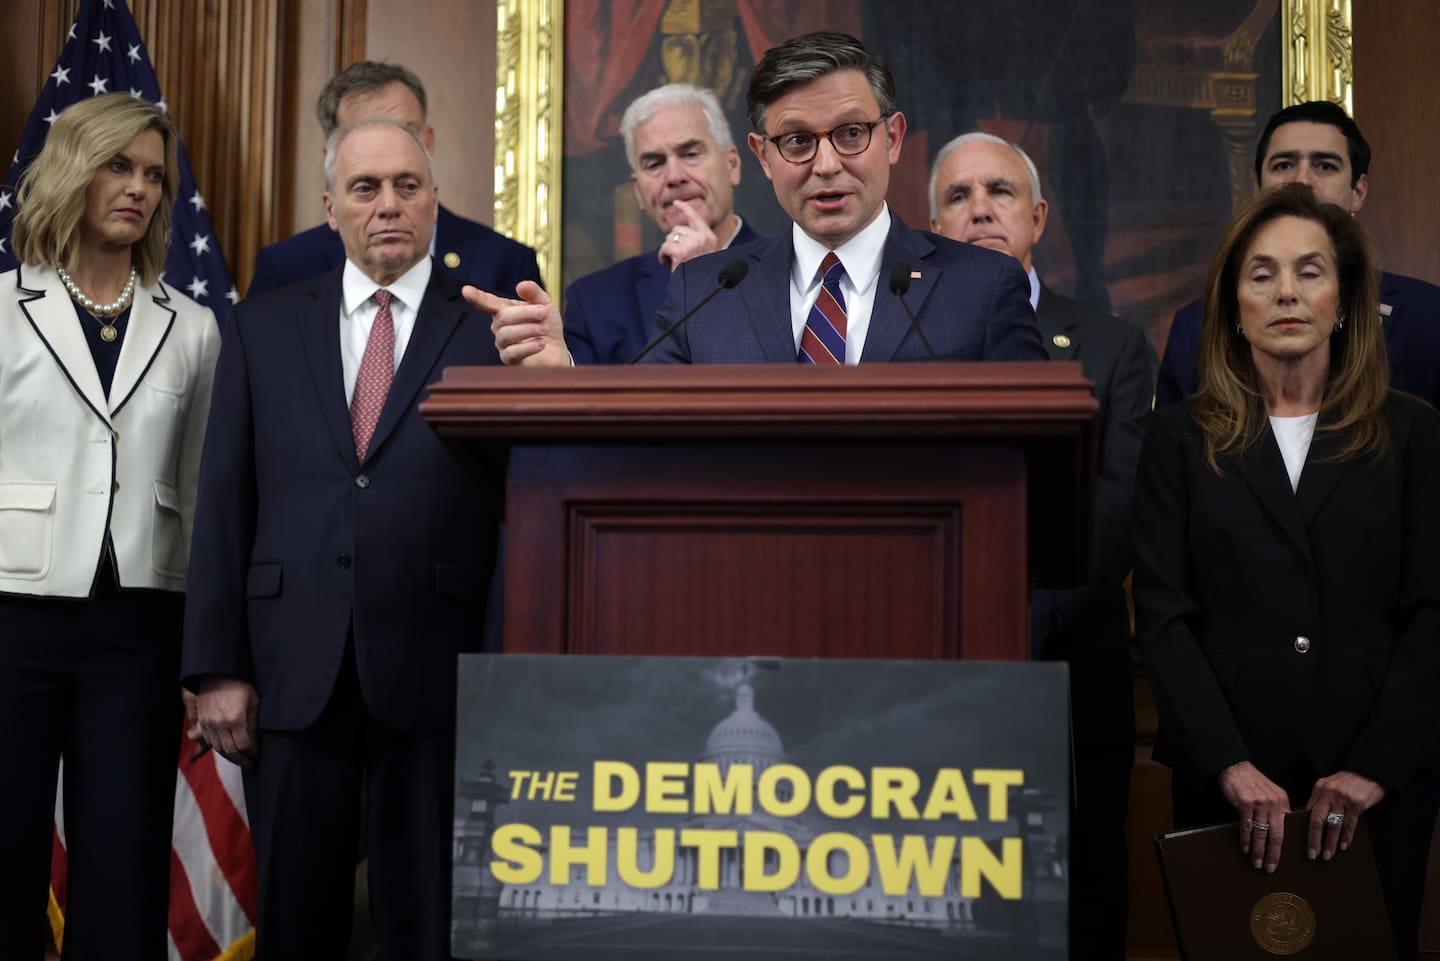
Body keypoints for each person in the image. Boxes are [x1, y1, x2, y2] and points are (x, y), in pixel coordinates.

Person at [181, 118, 503, 961]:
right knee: (296, 919)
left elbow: (519, 506)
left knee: (427, 922)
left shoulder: (491, 331)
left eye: (407, 185)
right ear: (331, 207)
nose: (388, 204)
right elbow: (225, 496)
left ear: (435, 200)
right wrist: (218, 665)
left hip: (440, 667)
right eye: (365, 188)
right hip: (293, 666)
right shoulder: (263, 324)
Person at [1134, 182, 1439, 960]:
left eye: (1309, 271)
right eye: (1261, 274)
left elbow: (1435, 610)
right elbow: (1165, 615)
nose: (1286, 293)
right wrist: (1230, 765)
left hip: (1374, 781)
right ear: (1233, 304)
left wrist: (1373, 766)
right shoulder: (1178, 439)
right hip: (1228, 778)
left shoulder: (1413, 433)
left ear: (1344, 299)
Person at [474, 31, 1044, 366]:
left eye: (851, 134)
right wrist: (565, 372)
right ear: (763, 155)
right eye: (797, 141)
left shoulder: (983, 287)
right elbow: (642, 445)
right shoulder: (704, 290)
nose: (826, 164)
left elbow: (1037, 473)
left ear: (892, 138)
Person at [0, 93, 220, 959]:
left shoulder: (194, 329)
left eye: (154, 175)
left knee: (125, 862)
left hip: (139, 623)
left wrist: (209, 649)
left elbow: (203, 494)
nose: (138, 188)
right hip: (12, 611)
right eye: (118, 165)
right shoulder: (4, 307)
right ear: (70, 170)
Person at [930, 130, 1153, 960]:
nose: (980, 208)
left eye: (999, 193)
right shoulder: (894, 338)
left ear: (1038, 218)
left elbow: (1118, 505)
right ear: (931, 222)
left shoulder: (1109, 346)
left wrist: (1028, 618)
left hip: (1068, 672)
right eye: (957, 196)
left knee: (1079, 898)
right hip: (925, 667)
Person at [1157, 101, 1440, 408]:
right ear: (1257, 187)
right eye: (1284, 165)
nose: (1302, 180)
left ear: (1358, 191)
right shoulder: (1195, 326)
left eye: (1325, 166)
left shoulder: (1429, 316)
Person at [247, 60, 541, 299]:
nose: (389, 146)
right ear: (330, 157)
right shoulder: (286, 267)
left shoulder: (507, 261)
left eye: (406, 130)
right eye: (365, 133)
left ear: (429, 140)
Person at [564, 83, 761, 364]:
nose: (674, 176)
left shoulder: (792, 272)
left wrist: (705, 277)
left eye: (690, 154)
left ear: (732, 165)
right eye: (654, 163)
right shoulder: (594, 301)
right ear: (638, 192)